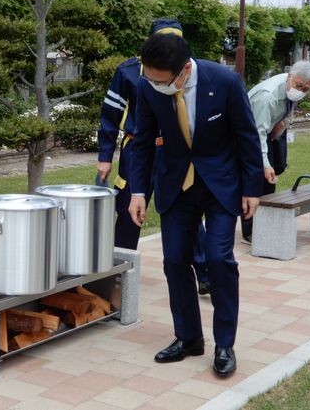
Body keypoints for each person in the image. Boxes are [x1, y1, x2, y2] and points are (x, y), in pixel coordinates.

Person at [128, 33, 264, 377]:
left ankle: (224, 343)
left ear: (185, 71)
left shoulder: (226, 82)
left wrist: (252, 189)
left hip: (219, 184)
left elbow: (248, 137)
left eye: (163, 81)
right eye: (150, 78)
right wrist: (139, 192)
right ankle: (188, 338)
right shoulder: (148, 87)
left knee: (219, 259)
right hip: (175, 184)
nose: (155, 86)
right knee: (174, 261)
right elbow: (141, 143)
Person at [96, 18, 211, 295]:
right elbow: (111, 114)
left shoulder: (190, 71)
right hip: (139, 150)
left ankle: (205, 272)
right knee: (128, 210)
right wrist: (105, 155)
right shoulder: (129, 72)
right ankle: (119, 272)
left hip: (178, 153)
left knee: (188, 211)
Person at [240, 60, 310, 244]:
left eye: (306, 89)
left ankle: (263, 225)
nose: (301, 91)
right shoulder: (267, 97)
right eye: (299, 86)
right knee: (254, 181)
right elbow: (257, 134)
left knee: (269, 183)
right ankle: (249, 232)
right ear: (290, 76)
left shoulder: (292, 88)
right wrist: (265, 164)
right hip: (246, 137)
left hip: (267, 132)